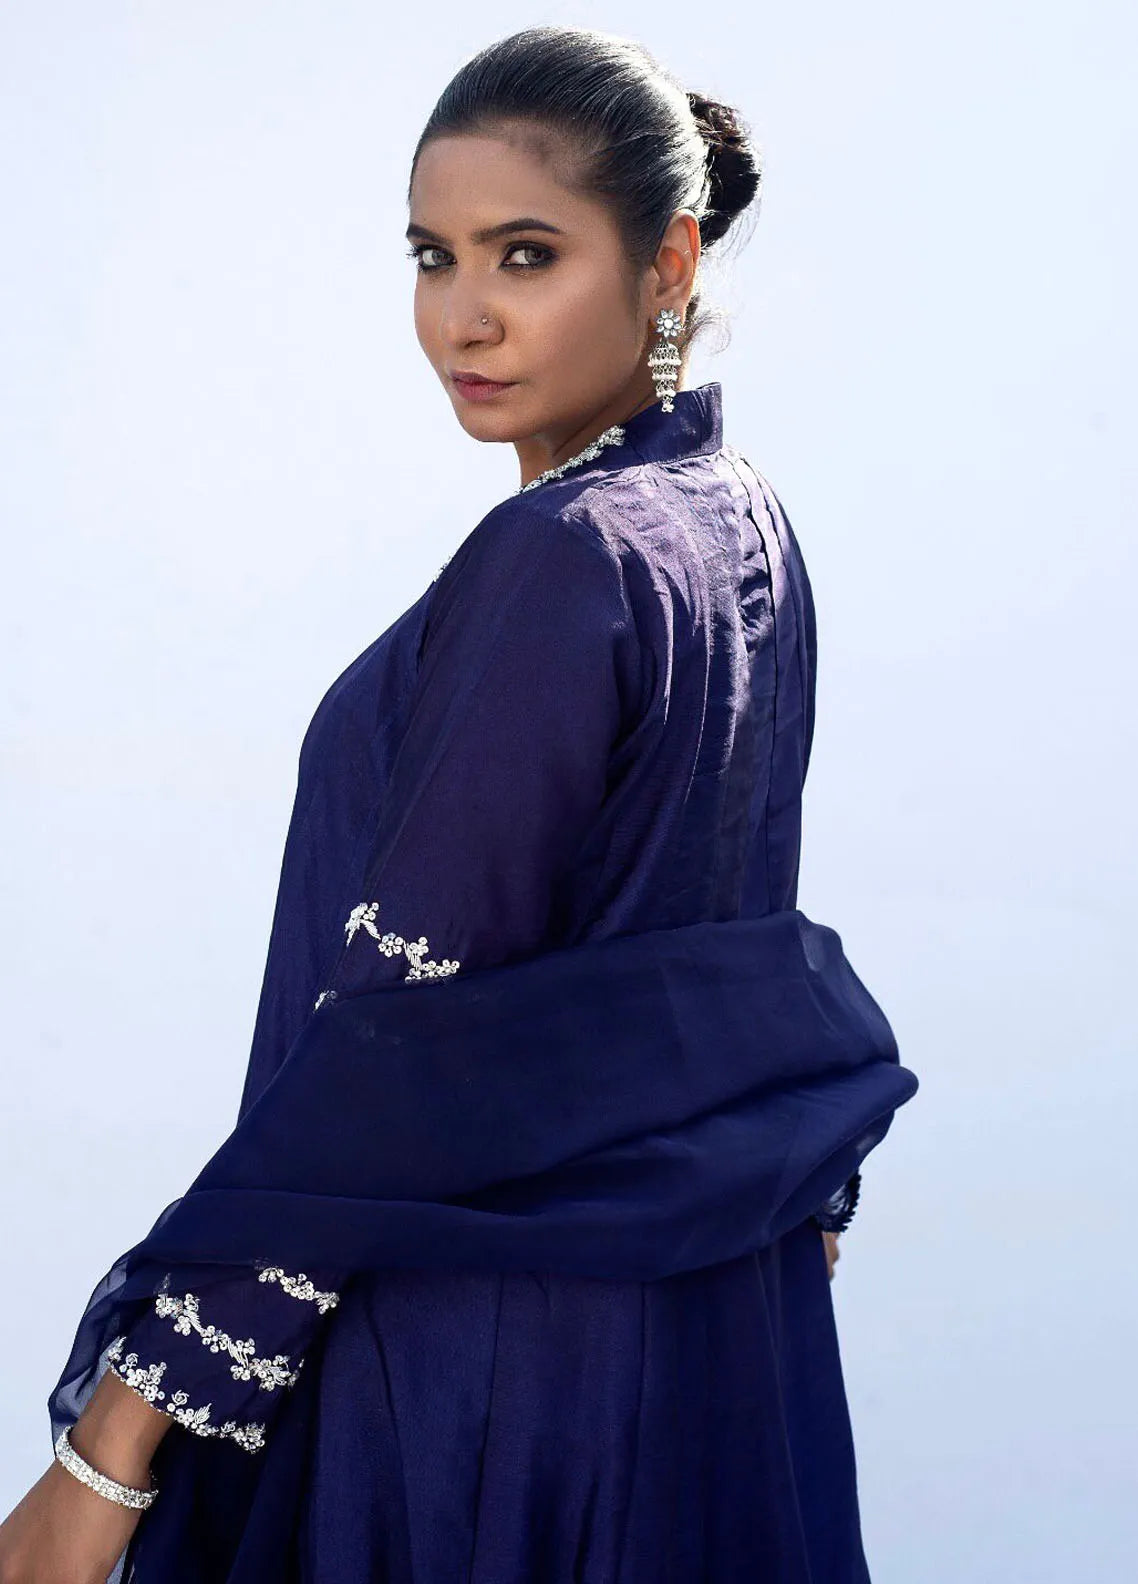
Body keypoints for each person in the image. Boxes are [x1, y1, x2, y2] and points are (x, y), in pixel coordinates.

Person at [0, 23, 917, 1584]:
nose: (463, 315)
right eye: (435, 256)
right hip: (703, 1343)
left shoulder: (563, 561)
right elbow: (713, 964)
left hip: (481, 1385)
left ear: (667, 262)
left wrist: (114, 1445)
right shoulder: (735, 520)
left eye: (527, 255)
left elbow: (396, 1058)